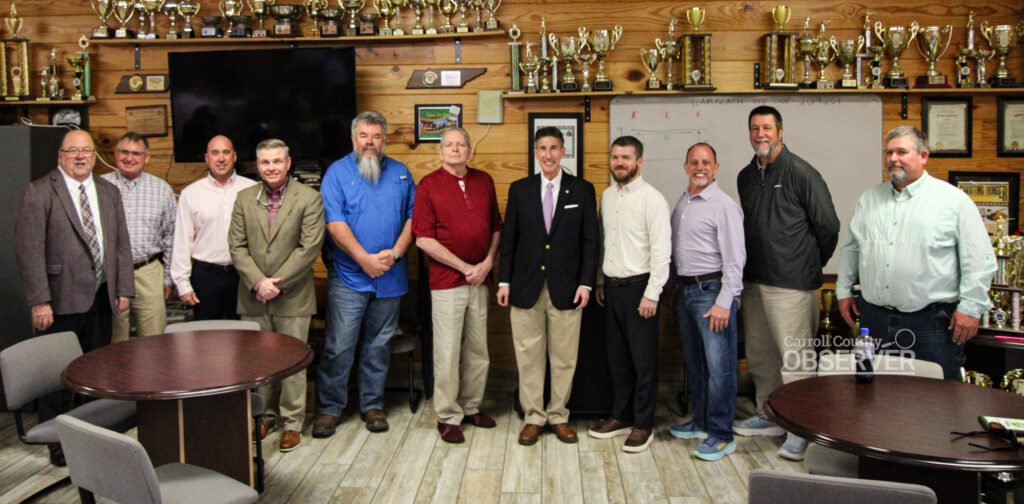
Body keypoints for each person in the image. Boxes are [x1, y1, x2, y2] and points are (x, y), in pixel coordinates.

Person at [837, 126, 996, 380]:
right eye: (889, 152)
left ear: (924, 156)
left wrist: (971, 308)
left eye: (902, 151)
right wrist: (843, 290)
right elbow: (852, 248)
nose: (893, 159)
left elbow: (979, 260)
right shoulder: (869, 199)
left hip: (932, 324)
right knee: (875, 400)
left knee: (935, 404)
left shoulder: (952, 201)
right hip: (876, 319)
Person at [14, 129, 134, 466]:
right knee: (58, 376)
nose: (80, 156)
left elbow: (121, 245)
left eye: (86, 151)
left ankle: (90, 438)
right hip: (58, 300)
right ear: (60, 156)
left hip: (100, 297)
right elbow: (29, 251)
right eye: (73, 151)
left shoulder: (108, 192)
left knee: (95, 375)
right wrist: (39, 301)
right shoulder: (39, 192)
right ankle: (59, 446)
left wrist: (123, 287)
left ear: (95, 155)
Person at [734, 105, 840, 461]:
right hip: (754, 281)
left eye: (766, 127)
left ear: (780, 131)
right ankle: (770, 415)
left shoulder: (800, 172)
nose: (760, 134)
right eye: (754, 128)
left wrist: (809, 263)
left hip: (792, 286)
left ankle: (799, 429)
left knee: (795, 361)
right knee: (762, 359)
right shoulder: (746, 176)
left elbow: (829, 226)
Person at [314, 111, 415, 437]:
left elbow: (415, 219)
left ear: (384, 139)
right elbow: (335, 222)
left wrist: (396, 253)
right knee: (339, 347)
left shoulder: (401, 173)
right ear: (353, 138)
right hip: (349, 277)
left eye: (376, 136)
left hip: (391, 276)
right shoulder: (336, 174)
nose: (370, 142)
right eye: (364, 136)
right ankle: (330, 409)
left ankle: (372, 406)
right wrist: (364, 259)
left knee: (378, 346)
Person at [497, 126, 599, 446]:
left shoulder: (581, 190)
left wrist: (586, 283)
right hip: (525, 286)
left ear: (563, 152)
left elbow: (590, 242)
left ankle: (558, 415)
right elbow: (509, 239)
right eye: (543, 148)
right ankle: (533, 416)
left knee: (564, 356)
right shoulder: (519, 189)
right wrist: (504, 280)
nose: (549, 154)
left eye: (554, 148)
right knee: (529, 355)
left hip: (568, 288)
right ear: (535, 153)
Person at [229, 138, 324, 452]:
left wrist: (276, 283)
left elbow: (308, 249)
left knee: (293, 361)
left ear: (288, 163)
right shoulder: (244, 198)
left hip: (293, 296)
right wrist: (258, 282)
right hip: (253, 295)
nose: (271, 167)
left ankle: (292, 422)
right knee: (259, 362)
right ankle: (265, 415)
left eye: (277, 161)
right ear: (257, 166)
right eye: (265, 162)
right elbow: (237, 247)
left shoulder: (309, 198)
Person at [413, 127, 501, 444]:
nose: (455, 149)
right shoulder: (428, 186)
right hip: (447, 281)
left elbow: (495, 228)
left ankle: (471, 406)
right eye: (449, 145)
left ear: (469, 150)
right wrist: (464, 267)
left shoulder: (484, 181)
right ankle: (448, 415)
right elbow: (423, 239)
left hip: (481, 278)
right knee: (448, 351)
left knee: (479, 350)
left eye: (461, 144)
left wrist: (487, 262)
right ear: (440, 151)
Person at [587, 136, 671, 454]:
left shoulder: (653, 200)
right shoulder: (607, 197)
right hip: (611, 290)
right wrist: (598, 282)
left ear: (640, 161)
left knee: (643, 362)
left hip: (641, 290)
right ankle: (620, 415)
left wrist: (652, 294)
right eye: (615, 157)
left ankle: (643, 424)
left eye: (626, 157)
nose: (619, 162)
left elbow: (662, 252)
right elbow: (604, 244)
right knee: (617, 359)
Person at [668, 143, 745, 461]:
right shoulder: (684, 201)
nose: (700, 167)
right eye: (694, 162)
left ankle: (722, 434)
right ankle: (700, 421)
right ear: (686, 166)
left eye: (706, 162)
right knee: (696, 364)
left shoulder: (723, 205)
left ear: (716, 168)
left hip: (713, 293)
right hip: (686, 292)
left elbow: (735, 260)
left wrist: (725, 301)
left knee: (720, 368)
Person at [170, 135, 257, 320]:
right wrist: (182, 283)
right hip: (205, 277)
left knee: (245, 338)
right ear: (206, 158)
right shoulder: (191, 194)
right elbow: (182, 241)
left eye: (226, 152)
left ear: (234, 156)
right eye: (215, 153)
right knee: (207, 338)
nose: (221, 158)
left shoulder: (253, 189)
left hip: (243, 275)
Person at [102, 132, 176, 342]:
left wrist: (168, 279)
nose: (129, 158)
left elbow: (171, 237)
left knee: (154, 343)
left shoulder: (161, 189)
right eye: (124, 152)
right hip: (112, 274)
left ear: (147, 158)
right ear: (116, 154)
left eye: (136, 153)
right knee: (114, 342)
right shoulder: (100, 187)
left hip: (149, 271)